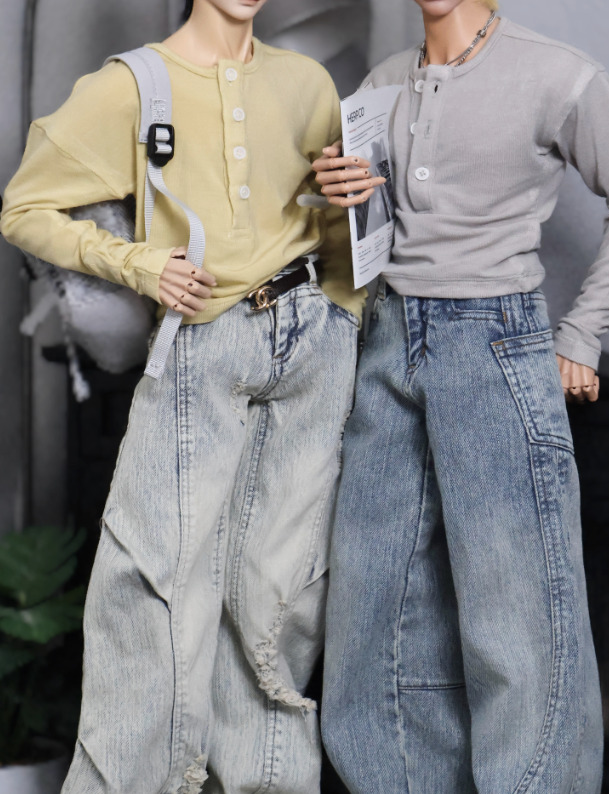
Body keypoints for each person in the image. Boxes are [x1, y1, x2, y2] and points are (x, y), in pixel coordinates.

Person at [1, 0, 365, 792]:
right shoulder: (132, 84)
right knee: (151, 587)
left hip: (312, 343)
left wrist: (345, 273)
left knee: (281, 598)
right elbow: (24, 208)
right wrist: (138, 264)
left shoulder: (307, 83)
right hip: (207, 340)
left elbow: (337, 229)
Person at [312, 1, 609, 792]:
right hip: (387, 346)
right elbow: (368, 234)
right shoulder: (380, 83)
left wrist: (581, 334)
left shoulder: (556, 74)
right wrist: (336, 193)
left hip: (494, 345)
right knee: (373, 611)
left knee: (516, 620)